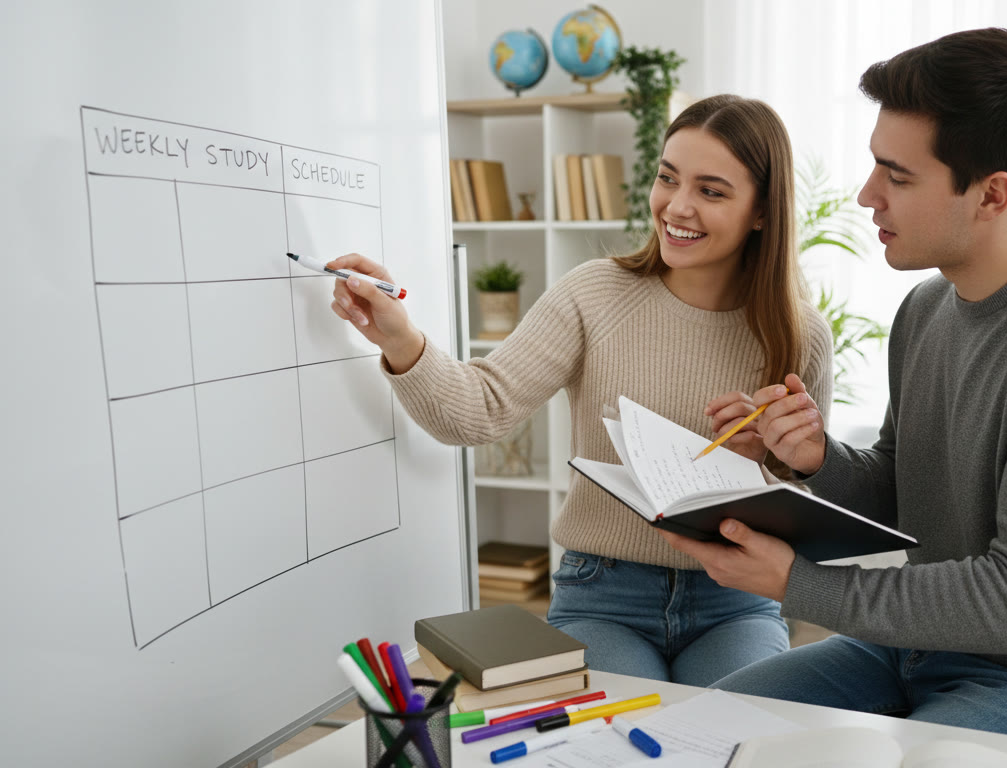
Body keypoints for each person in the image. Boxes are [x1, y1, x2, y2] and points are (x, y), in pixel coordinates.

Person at [659, 29, 1007, 754]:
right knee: (692, 735)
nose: (867, 195)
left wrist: (795, 584)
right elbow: (902, 492)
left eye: (897, 177)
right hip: (912, 653)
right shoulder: (928, 309)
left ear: (994, 194)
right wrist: (810, 458)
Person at [325, 94, 833, 686]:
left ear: (763, 212)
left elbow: (812, 503)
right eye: (668, 178)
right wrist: (399, 336)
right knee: (608, 744)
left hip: (737, 600)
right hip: (604, 596)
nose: (677, 206)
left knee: (742, 737)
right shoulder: (595, 294)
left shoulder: (801, 335)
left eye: (712, 191)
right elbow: (477, 412)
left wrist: (773, 458)